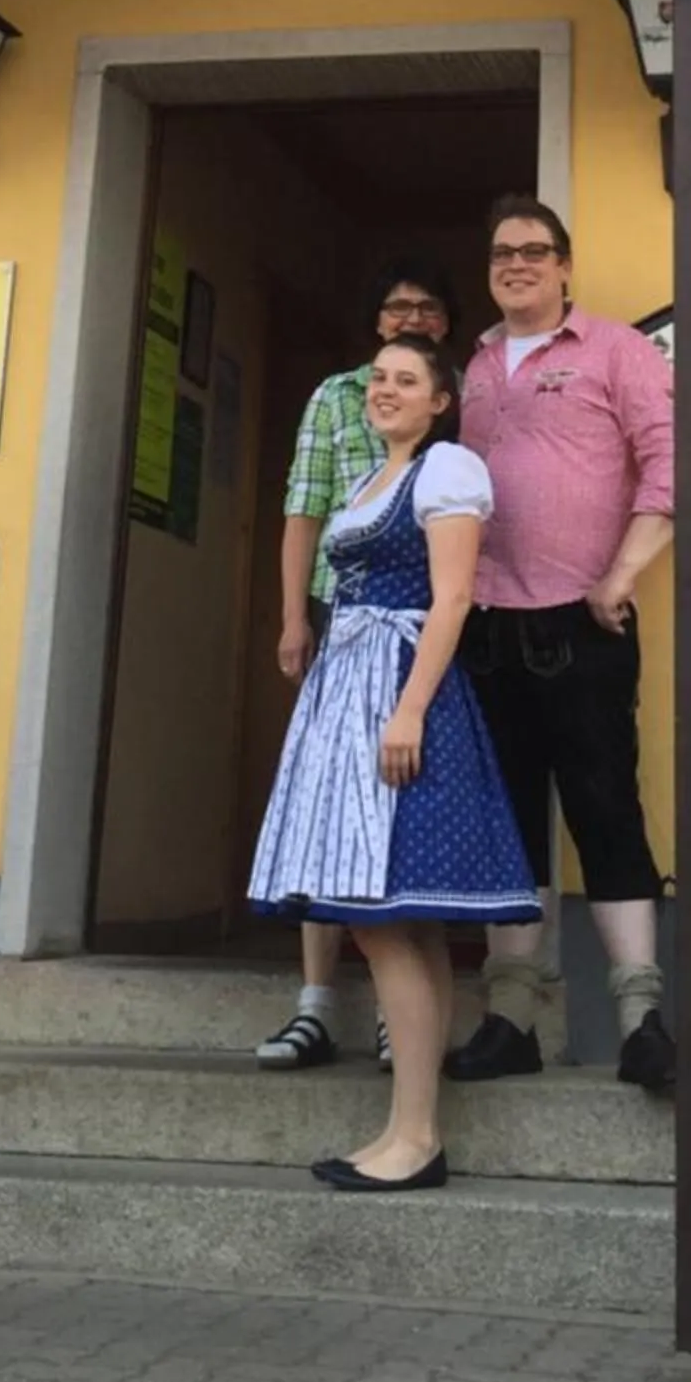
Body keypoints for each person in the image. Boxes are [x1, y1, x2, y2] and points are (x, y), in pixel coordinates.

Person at [249, 334, 541, 1190]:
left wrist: (409, 708)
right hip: (349, 698)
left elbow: (451, 598)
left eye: (406, 380)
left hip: (399, 698)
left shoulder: (446, 471)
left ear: (440, 399)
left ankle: (415, 1135)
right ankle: (411, 1131)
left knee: (383, 920)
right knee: (399, 925)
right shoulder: (376, 478)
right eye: (378, 377)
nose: (385, 389)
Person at [448, 195, 677, 1094]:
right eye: (503, 252)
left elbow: (672, 460)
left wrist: (621, 575)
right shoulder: (468, 365)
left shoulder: (619, 350)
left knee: (605, 809)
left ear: (566, 265)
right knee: (505, 827)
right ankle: (511, 1020)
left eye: (535, 252)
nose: (518, 265)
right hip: (486, 623)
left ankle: (641, 1019)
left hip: (586, 617)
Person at [256, 259, 458, 1070]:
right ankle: (314, 1002)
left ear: (443, 326)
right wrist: (292, 615)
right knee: (326, 805)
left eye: (425, 306)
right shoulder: (338, 396)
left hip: (422, 620)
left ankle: (396, 1015)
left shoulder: (454, 409)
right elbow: (303, 505)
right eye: (394, 306)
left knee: (406, 813)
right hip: (339, 621)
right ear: (375, 323)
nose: (408, 315)